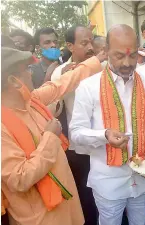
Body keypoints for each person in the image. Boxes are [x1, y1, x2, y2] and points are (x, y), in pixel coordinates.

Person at [69, 24, 145, 225]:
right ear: (105, 51)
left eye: (131, 56)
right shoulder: (89, 87)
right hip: (108, 180)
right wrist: (104, 135)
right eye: (119, 55)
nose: (127, 63)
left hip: (142, 175)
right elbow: (76, 133)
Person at [1, 46, 106, 225]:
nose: (31, 73)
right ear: (14, 81)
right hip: (41, 218)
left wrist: (98, 59)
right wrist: (49, 137)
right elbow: (19, 178)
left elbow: (62, 84)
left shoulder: (31, 102)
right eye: (26, 70)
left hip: (65, 206)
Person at [51, 25, 100, 225]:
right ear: (70, 46)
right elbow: (54, 107)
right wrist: (67, 78)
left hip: (104, 142)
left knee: (105, 193)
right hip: (77, 147)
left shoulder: (102, 67)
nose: (90, 47)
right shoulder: (60, 73)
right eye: (84, 43)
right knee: (85, 195)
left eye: (91, 42)